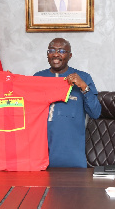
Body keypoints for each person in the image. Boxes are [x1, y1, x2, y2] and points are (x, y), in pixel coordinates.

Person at [34, 38, 101, 168]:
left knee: (74, 187)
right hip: (41, 151)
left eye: (62, 51)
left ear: (70, 55)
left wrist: (84, 87)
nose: (56, 54)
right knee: (42, 188)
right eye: (52, 50)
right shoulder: (38, 78)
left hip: (72, 153)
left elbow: (95, 113)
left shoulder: (83, 77)